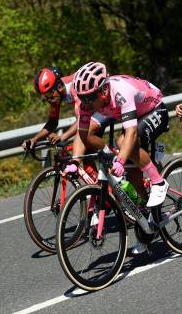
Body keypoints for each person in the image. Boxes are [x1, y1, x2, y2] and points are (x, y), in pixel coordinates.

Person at [67, 62, 169, 254]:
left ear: (103, 91)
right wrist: (76, 160)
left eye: (89, 98)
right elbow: (83, 135)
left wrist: (120, 160)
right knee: (134, 179)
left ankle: (158, 182)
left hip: (154, 109)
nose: (85, 103)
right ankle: (149, 224)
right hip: (132, 116)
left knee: (123, 143)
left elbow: (130, 133)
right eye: (82, 99)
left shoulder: (121, 91)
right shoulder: (88, 101)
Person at [21, 66, 107, 149]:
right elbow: (52, 123)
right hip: (95, 110)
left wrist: (62, 136)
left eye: (49, 95)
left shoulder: (74, 87)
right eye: (45, 97)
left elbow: (81, 119)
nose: (49, 100)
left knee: (84, 141)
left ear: (59, 87)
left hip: (107, 106)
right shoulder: (56, 94)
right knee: (85, 152)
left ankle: (114, 157)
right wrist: (34, 139)